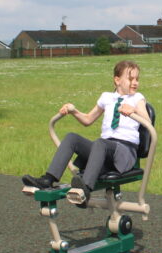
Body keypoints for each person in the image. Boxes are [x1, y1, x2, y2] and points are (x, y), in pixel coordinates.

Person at [22, 60, 150, 206]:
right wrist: (73, 111)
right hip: (105, 150)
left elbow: (147, 122)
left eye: (137, 79)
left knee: (100, 143)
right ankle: (47, 179)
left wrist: (133, 111)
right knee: (72, 138)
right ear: (117, 80)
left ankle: (85, 188)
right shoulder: (106, 97)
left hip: (125, 152)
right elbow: (88, 119)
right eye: (131, 78)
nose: (135, 82)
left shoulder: (137, 98)